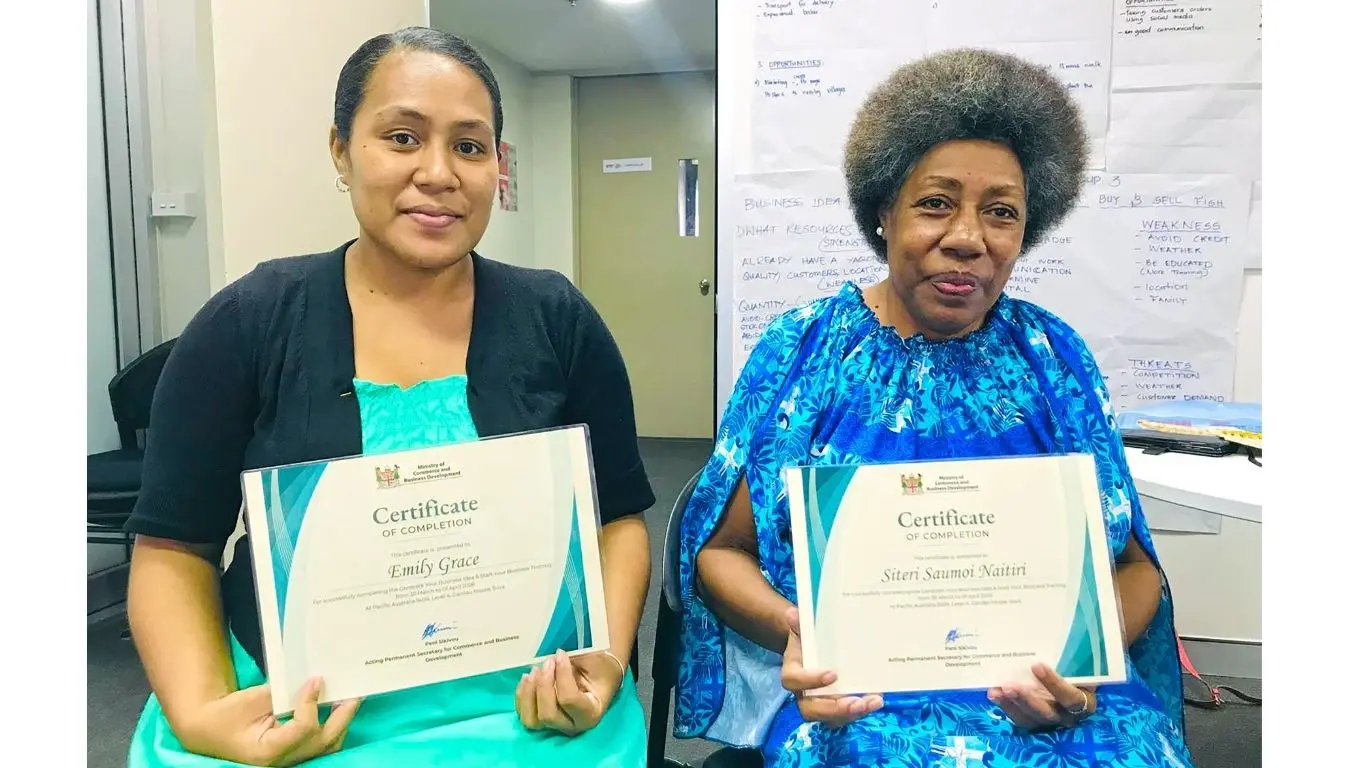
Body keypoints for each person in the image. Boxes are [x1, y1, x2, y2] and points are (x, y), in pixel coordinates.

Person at [122, 27, 654, 767]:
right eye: (402, 138)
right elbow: (175, 545)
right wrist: (204, 713)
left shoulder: (556, 319)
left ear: (496, 166)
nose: (438, 173)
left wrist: (604, 666)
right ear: (341, 151)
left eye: (469, 147)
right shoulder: (248, 322)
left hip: (528, 716)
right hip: (299, 719)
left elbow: (617, 519)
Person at [674, 48, 1195, 767]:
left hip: (1049, 695)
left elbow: (1135, 569)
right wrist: (803, 632)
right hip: (858, 697)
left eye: (1001, 213)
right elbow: (722, 551)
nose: (968, 239)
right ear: (883, 212)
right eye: (935, 203)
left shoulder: (1054, 357)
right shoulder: (805, 350)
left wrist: (1084, 661)